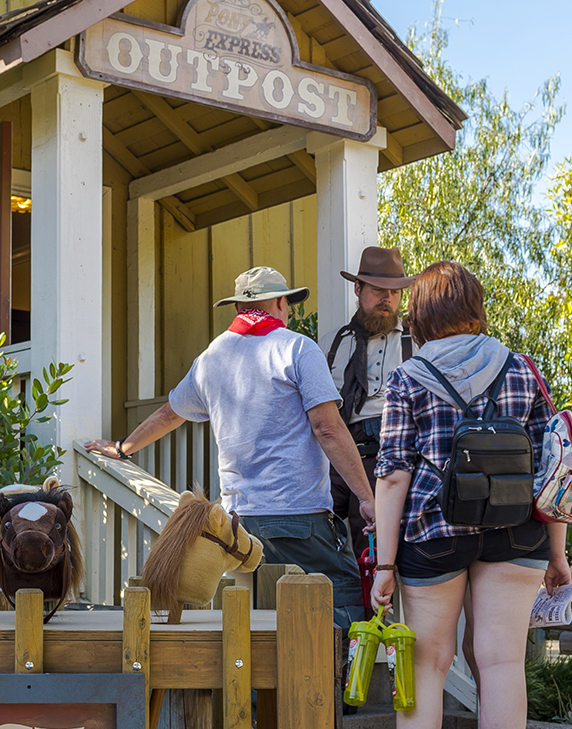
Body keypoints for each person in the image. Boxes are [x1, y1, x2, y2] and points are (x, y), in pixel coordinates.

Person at [368, 261, 570, 729]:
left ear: (421, 312)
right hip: (515, 533)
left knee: (426, 665)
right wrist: (557, 555)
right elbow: (550, 471)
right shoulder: (523, 369)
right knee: (502, 661)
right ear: (475, 303)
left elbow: (391, 476)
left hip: (433, 533)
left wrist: (384, 565)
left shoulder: (408, 377)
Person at [84, 265, 376, 630]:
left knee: (253, 623)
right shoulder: (297, 348)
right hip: (299, 516)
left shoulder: (211, 358)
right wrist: (366, 498)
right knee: (343, 601)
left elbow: (170, 415)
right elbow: (328, 429)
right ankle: (337, 687)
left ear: (238, 307)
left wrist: (123, 448)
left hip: (238, 525)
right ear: (282, 303)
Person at [322, 246, 416, 562]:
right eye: (378, 290)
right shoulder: (332, 344)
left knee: (373, 553)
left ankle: (373, 612)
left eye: (394, 292)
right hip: (336, 456)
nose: (386, 299)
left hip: (385, 457)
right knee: (322, 542)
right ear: (359, 289)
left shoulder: (414, 344)